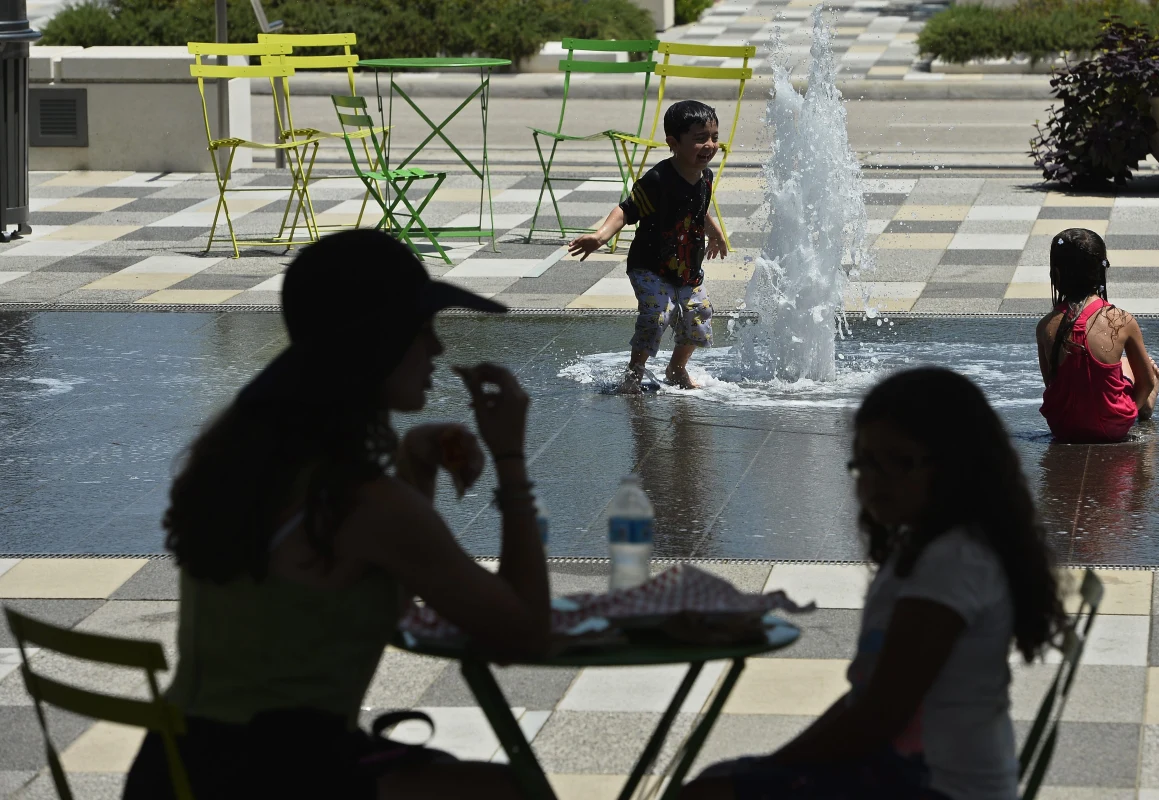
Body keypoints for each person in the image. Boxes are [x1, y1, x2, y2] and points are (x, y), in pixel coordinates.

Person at [123, 230, 549, 800]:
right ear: (379, 344)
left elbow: (387, 603)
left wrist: (415, 464)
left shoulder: (241, 453)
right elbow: (526, 634)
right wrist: (511, 458)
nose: (438, 349)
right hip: (277, 780)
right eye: (421, 330)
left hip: (177, 769)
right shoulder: (365, 503)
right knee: (511, 791)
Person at [682, 367, 1066, 800]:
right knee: (719, 784)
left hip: (940, 787)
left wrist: (771, 769)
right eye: (865, 462)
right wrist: (772, 765)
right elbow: (867, 698)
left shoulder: (951, 563)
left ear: (956, 466)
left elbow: (880, 716)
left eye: (900, 462)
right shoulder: (924, 546)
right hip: (907, 772)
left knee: (709, 793)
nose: (875, 480)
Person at [567, 99, 729, 393]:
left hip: (686, 267)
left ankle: (677, 369)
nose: (710, 145)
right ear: (673, 142)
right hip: (650, 265)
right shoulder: (658, 179)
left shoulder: (704, 176)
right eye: (700, 138)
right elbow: (626, 210)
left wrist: (715, 231)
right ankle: (634, 374)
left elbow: (698, 210)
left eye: (714, 137)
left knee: (700, 313)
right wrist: (600, 237)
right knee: (658, 314)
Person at [1036, 228, 1159, 443]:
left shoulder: (1045, 325)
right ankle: (1144, 408)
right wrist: (1129, 413)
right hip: (1114, 426)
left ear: (1055, 274)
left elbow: (1052, 384)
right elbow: (1147, 382)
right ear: (1101, 272)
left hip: (1063, 426)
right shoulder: (1121, 320)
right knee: (1140, 368)